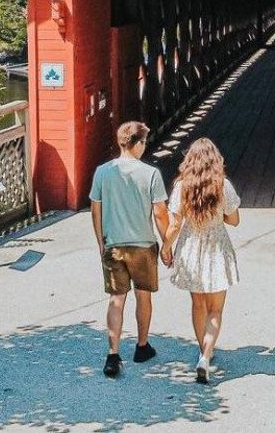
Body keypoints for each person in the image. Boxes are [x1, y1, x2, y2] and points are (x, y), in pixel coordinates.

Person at [90, 120, 170, 378]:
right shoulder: (150, 174)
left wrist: (101, 241)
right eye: (144, 142)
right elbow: (159, 213)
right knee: (143, 296)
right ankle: (142, 346)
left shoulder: (102, 172)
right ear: (136, 144)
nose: (145, 147)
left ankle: (113, 355)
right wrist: (167, 243)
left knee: (116, 299)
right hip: (143, 245)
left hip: (114, 244)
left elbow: (96, 209)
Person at [162, 138, 241, 384]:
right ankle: (205, 357)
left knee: (198, 305)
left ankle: (203, 350)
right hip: (217, 248)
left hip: (191, 249)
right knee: (215, 310)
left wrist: (165, 247)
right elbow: (234, 220)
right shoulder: (223, 185)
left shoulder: (181, 186)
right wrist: (216, 216)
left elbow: (175, 224)